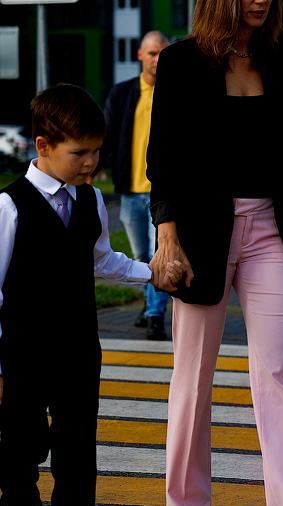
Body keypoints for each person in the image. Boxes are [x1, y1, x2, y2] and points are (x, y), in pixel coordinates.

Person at [146, 0, 283, 506]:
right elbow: (163, 154)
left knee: (278, 380)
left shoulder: (278, 61)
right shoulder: (180, 63)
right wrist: (167, 237)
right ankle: (187, 498)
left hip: (269, 229)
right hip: (201, 234)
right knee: (193, 377)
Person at [0, 84, 180, 506]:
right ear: (43, 146)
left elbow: (99, 258)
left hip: (79, 352)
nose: (91, 163)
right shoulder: (9, 207)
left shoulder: (92, 200)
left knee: (78, 459)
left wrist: (150, 272)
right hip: (23, 355)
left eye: (97, 151)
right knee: (18, 450)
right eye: (79, 153)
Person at [103, 31, 171, 340]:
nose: (159, 59)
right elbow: (106, 137)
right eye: (153, 53)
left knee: (159, 254)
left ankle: (156, 314)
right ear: (140, 56)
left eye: (164, 53)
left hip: (163, 195)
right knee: (140, 254)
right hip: (130, 192)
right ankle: (149, 304)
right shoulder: (121, 94)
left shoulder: (177, 94)